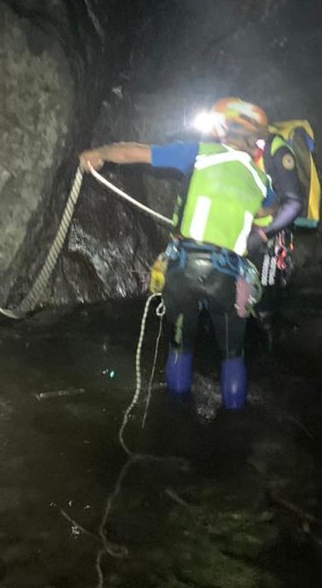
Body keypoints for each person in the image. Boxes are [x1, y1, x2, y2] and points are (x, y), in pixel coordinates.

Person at [79, 98, 275, 410]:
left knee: (180, 346)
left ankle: (175, 419)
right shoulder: (262, 182)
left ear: (222, 128)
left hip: (184, 267)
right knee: (232, 355)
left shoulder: (199, 153)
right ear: (255, 139)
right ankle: (236, 428)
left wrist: (99, 154)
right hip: (229, 276)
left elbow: (133, 152)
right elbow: (265, 220)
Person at [247, 127, 305, 352]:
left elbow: (293, 203)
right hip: (243, 232)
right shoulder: (234, 151)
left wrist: (264, 234)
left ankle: (271, 350)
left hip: (271, 236)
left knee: (266, 293)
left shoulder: (277, 152)